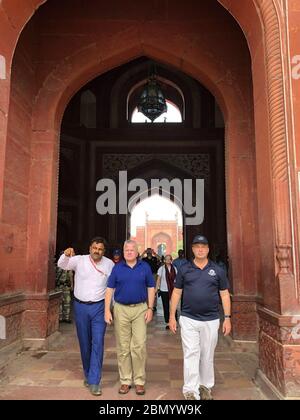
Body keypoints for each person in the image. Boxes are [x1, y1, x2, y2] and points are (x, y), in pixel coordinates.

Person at [169, 235, 231, 401]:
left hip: (211, 320)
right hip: (189, 319)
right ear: (193, 249)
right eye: (197, 246)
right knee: (191, 353)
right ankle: (190, 390)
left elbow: (224, 295)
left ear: (208, 249)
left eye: (203, 246)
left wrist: (227, 317)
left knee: (207, 354)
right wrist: (172, 316)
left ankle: (205, 386)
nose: (200, 249)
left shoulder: (218, 270)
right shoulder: (185, 269)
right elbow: (176, 292)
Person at [57, 237, 114, 396]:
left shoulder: (109, 264)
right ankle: (88, 374)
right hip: (80, 307)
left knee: (98, 342)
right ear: (90, 248)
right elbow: (62, 265)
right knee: (84, 342)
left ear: (104, 251)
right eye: (95, 248)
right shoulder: (79, 260)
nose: (97, 251)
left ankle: (95, 381)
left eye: (100, 249)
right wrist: (66, 254)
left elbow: (113, 285)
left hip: (99, 307)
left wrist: (111, 308)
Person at [104, 240, 155, 396]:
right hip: (121, 310)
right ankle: (125, 380)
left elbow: (151, 287)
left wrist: (150, 308)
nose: (129, 252)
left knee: (139, 346)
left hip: (140, 309)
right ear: (123, 251)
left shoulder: (144, 267)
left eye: (132, 249)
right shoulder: (117, 268)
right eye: (126, 249)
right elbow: (109, 289)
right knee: (123, 347)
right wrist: (107, 310)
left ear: (137, 252)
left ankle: (139, 381)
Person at [156, 254, 178, 329]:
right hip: (164, 290)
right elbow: (158, 279)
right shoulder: (161, 269)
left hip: (173, 290)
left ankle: (174, 321)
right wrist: (156, 289)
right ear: (164, 260)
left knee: (173, 306)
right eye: (166, 259)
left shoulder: (174, 268)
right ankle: (168, 322)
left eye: (169, 259)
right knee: (166, 306)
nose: (168, 260)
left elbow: (177, 279)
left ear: (171, 260)